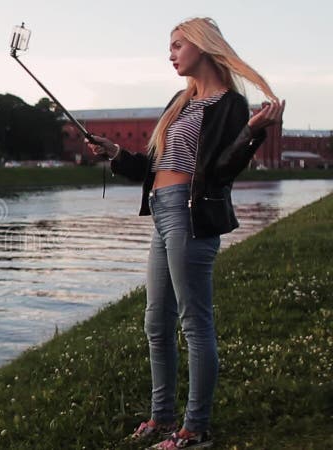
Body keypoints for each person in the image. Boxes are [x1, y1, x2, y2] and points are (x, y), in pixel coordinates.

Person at [87, 17, 284, 450]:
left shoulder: (230, 105)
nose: (171, 53)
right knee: (156, 323)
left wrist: (252, 133)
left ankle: (195, 430)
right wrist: (116, 152)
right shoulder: (179, 101)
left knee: (194, 322)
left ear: (201, 46)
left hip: (190, 214)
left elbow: (219, 173)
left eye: (177, 45)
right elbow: (151, 167)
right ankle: (161, 419)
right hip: (161, 209)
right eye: (170, 46)